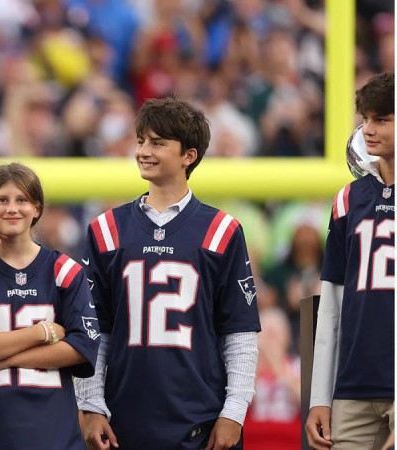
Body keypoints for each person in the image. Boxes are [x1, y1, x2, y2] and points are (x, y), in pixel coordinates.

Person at [75, 97, 260, 450]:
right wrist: (90, 404)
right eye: (141, 140)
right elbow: (94, 329)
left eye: (158, 143)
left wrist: (234, 412)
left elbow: (239, 331)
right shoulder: (106, 229)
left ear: (189, 155)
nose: (144, 150)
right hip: (122, 420)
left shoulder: (222, 230)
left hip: (199, 421)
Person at [0, 162, 100, 450]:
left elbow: (82, 348)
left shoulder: (66, 272)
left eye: (22, 200)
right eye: (2, 200)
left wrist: (5, 359)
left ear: (38, 208)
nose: (12, 208)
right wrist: (42, 333)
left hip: (53, 432)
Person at [305, 72, 395, 450]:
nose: (368, 129)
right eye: (365, 119)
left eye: (381, 119)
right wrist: (319, 397)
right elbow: (331, 306)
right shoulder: (348, 199)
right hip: (353, 384)